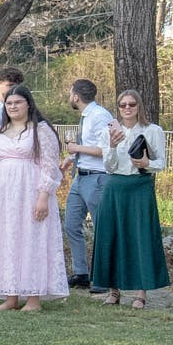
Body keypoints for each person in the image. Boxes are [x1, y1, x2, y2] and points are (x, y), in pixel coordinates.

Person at [0, 85, 68, 312]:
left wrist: (43, 196)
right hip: (2, 195)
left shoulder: (40, 130)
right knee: (6, 240)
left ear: (28, 104)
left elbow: (49, 165)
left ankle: (33, 298)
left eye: (17, 102)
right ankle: (11, 296)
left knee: (31, 239)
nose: (13, 106)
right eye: (9, 103)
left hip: (30, 192)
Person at [91, 89, 170, 308]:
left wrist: (147, 164)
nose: (127, 108)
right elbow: (108, 166)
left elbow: (161, 163)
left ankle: (140, 292)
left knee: (140, 236)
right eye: (123, 105)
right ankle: (113, 291)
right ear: (118, 108)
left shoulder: (152, 130)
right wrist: (112, 146)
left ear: (139, 106)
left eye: (131, 104)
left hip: (140, 186)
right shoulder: (108, 132)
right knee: (111, 235)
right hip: (115, 186)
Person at [64, 78, 115, 292]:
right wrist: (70, 159)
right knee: (71, 224)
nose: (70, 97)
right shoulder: (86, 116)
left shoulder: (100, 116)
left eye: (70, 93)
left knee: (101, 228)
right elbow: (87, 146)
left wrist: (77, 148)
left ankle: (103, 279)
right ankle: (81, 273)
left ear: (76, 96)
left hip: (97, 178)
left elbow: (105, 149)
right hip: (80, 176)